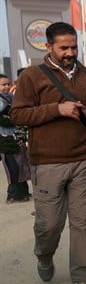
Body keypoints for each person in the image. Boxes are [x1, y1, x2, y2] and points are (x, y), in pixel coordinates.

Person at [10, 22, 86, 284]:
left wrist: (84, 110)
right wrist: (57, 108)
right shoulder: (33, 76)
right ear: (49, 46)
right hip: (47, 162)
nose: (69, 52)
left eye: (73, 47)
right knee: (50, 223)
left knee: (83, 221)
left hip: (82, 160)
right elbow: (18, 114)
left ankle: (82, 277)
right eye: (63, 47)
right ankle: (44, 255)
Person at [0, 73, 31, 203]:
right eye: (3, 85)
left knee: (21, 164)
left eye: (8, 84)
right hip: (5, 140)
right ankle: (13, 194)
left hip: (17, 138)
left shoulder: (11, 98)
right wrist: (14, 119)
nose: (7, 87)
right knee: (12, 167)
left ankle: (23, 192)